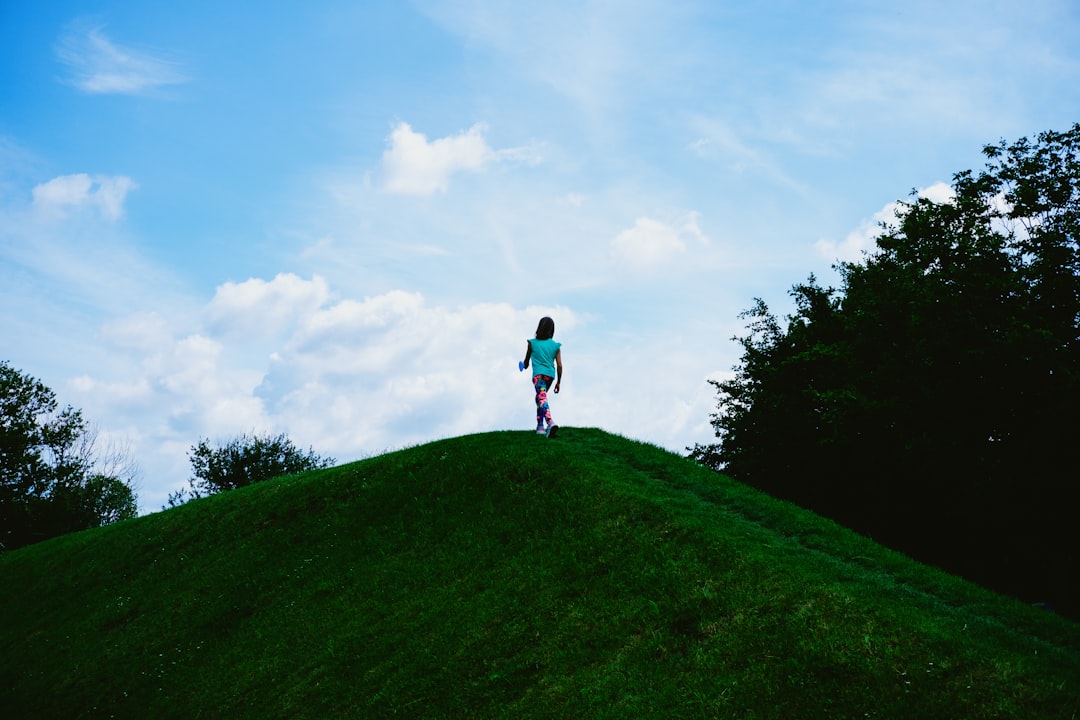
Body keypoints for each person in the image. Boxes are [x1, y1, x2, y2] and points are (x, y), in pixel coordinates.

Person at [521, 316, 562, 438]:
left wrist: (523, 365)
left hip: (538, 375)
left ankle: (549, 422)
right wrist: (559, 382)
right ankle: (540, 426)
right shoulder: (555, 346)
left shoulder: (532, 343)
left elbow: (526, 363)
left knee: (542, 398)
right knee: (540, 397)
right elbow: (559, 365)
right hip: (550, 376)